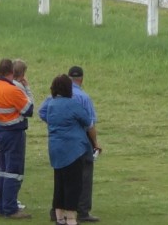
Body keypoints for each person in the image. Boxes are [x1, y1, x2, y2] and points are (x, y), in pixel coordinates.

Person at [39, 75, 95, 225]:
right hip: (73, 150)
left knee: (59, 183)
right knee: (73, 184)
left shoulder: (50, 104)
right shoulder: (73, 104)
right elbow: (87, 121)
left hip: (55, 148)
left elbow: (42, 113)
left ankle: (59, 218)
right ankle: (71, 218)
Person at [0, 58, 33, 219]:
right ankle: (10, 208)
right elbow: (29, 109)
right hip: (14, 133)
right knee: (14, 172)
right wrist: (27, 89)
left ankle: (2, 206)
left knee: (4, 171)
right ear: (12, 72)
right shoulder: (12, 90)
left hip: (0, 133)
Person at [62, 66, 100, 223]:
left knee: (63, 174)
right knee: (85, 172)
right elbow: (90, 124)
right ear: (81, 79)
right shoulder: (83, 97)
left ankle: (58, 209)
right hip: (81, 138)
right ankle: (82, 210)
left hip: (62, 138)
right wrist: (96, 143)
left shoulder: (59, 95)